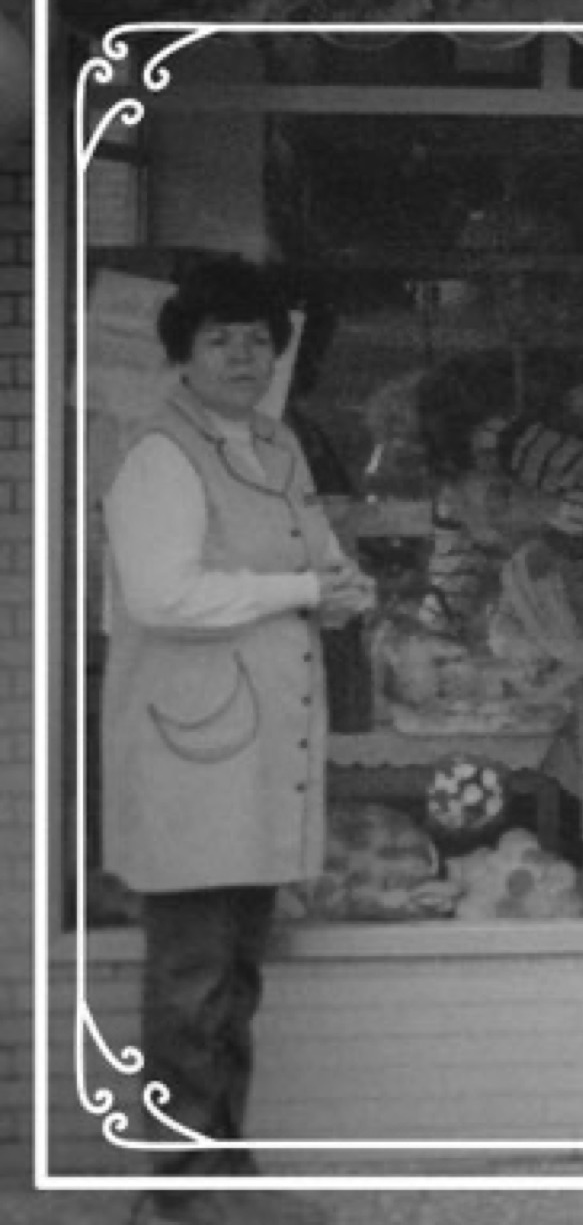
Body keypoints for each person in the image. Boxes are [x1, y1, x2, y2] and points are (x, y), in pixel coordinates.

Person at [100, 257, 376, 1225]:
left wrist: (342, 584)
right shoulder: (159, 455)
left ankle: (228, 1179)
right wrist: (302, 591)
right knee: (190, 979)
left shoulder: (275, 443)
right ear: (183, 352)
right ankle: (176, 1197)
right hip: (189, 757)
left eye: (259, 338)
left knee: (236, 975)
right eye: (221, 338)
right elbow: (160, 593)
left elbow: (312, 555)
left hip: (257, 761)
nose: (244, 355)